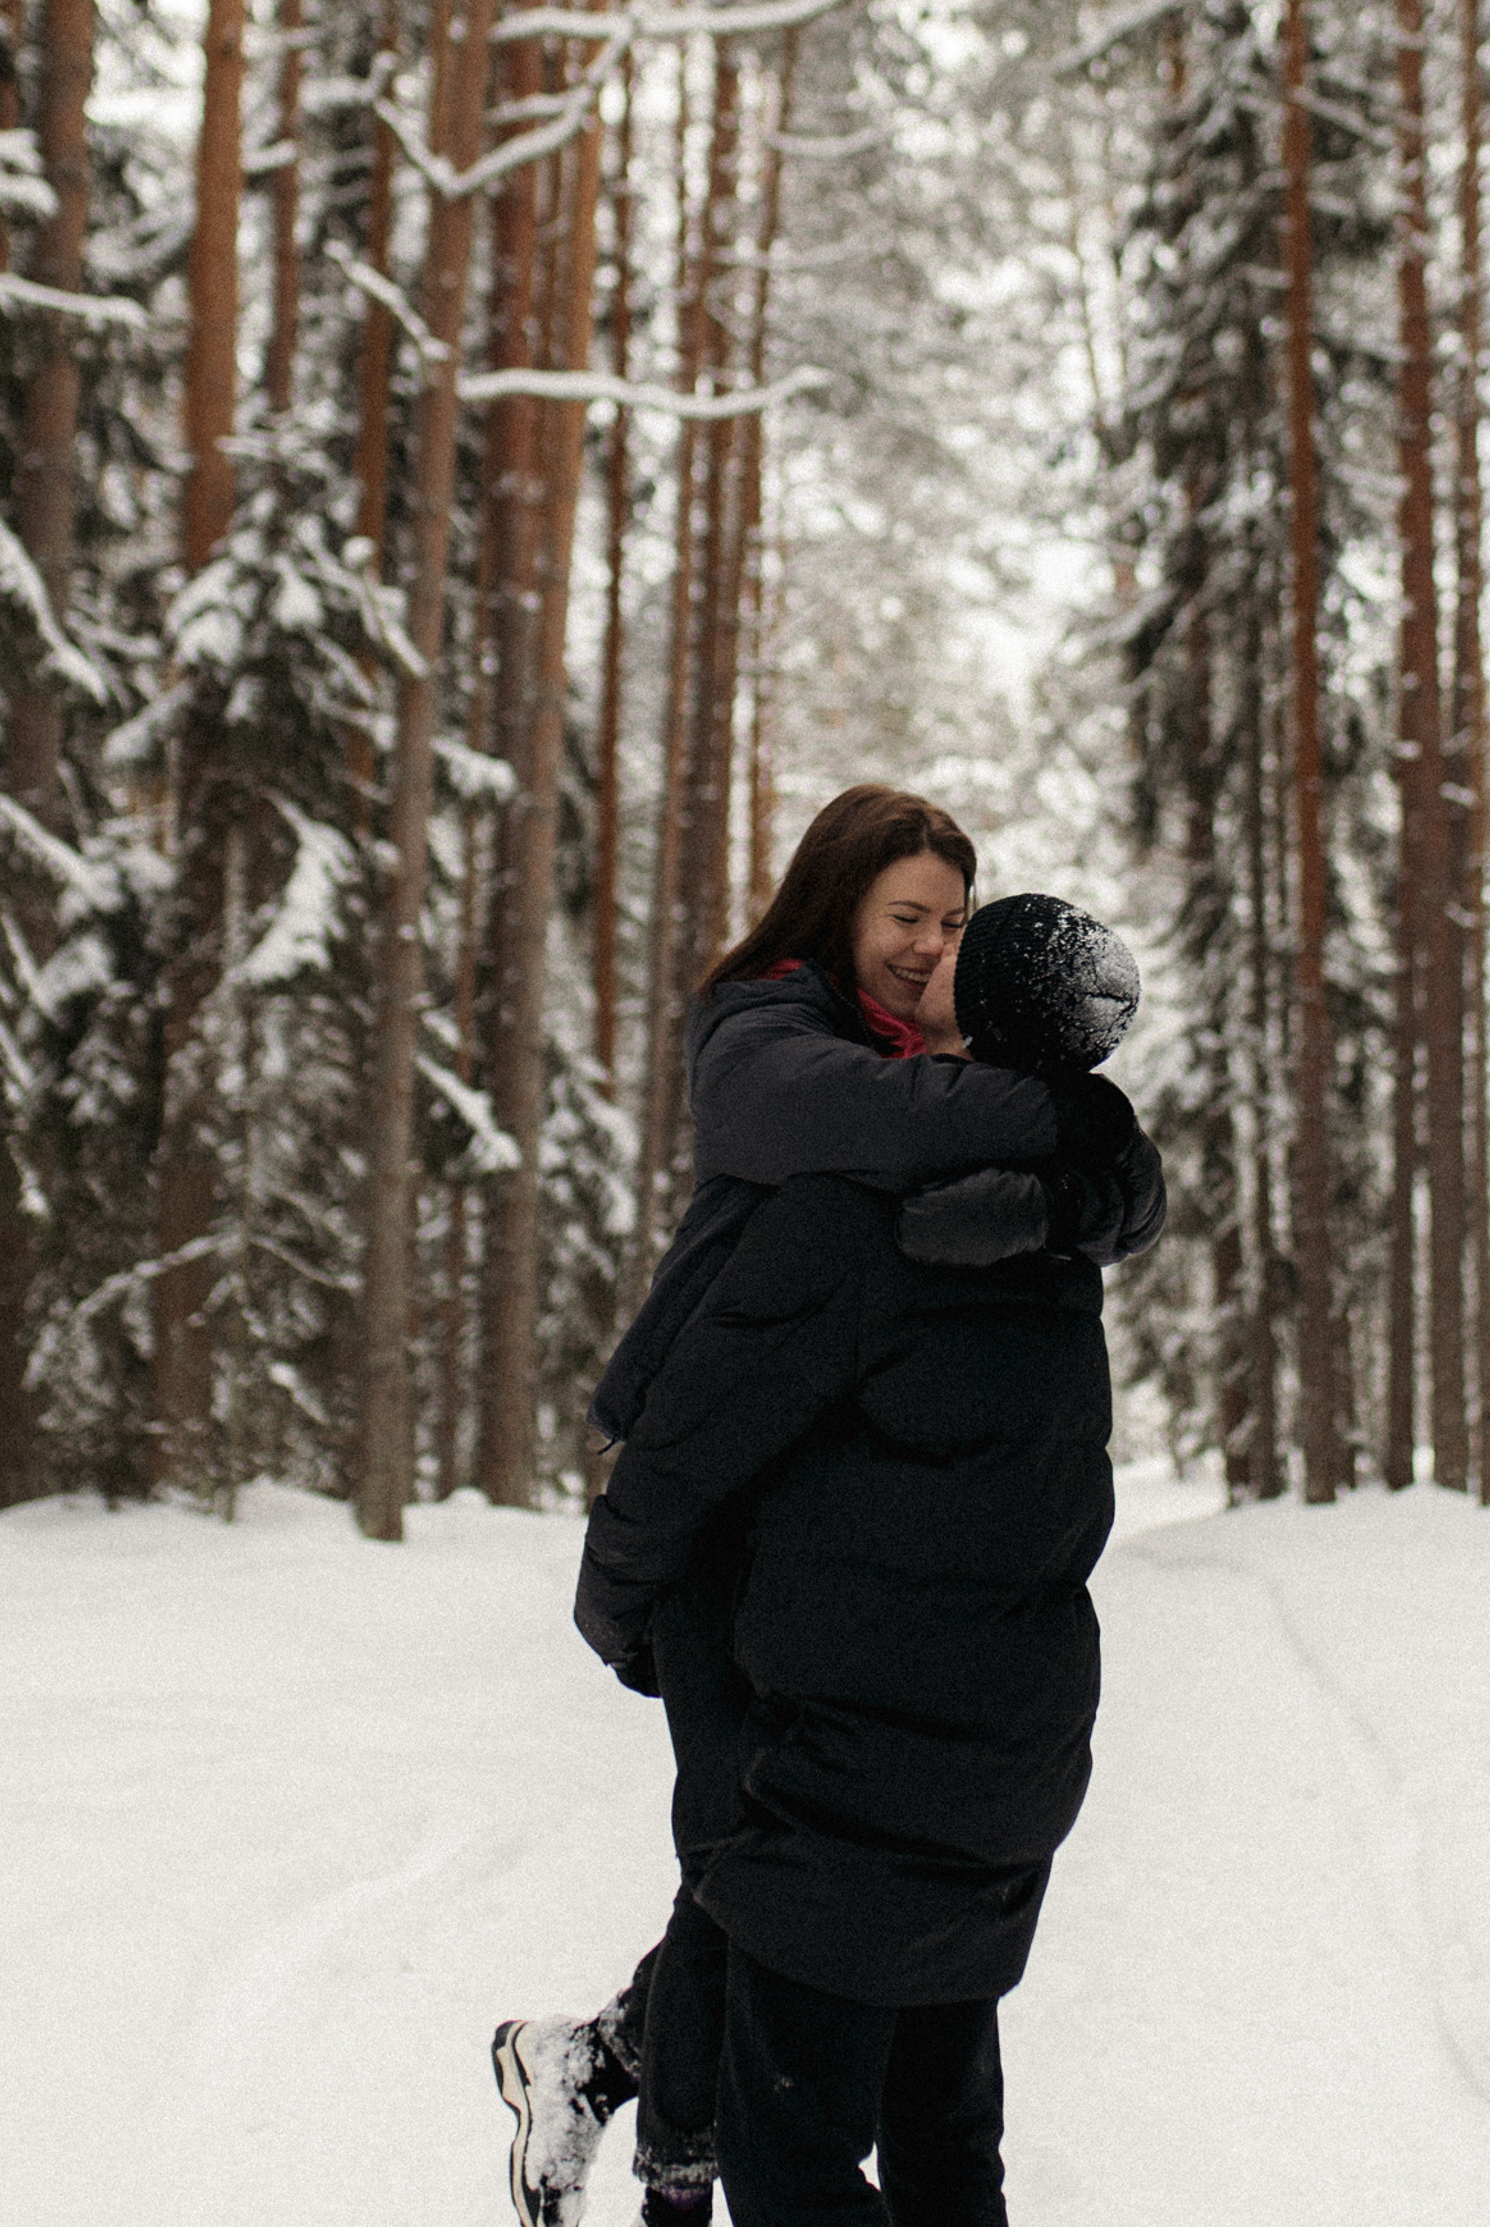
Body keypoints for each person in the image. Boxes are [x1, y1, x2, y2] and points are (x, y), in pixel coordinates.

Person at [490, 791, 1160, 2227]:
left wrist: (1079, 1172)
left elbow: (1080, 1180)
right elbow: (850, 1144)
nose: (929, 947)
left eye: (953, 921)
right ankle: (656, 2141)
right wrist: (1071, 1119)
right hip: (707, 1495)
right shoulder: (770, 1034)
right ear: (837, 910)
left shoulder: (960, 1101)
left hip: (812, 1532)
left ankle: (603, 2075)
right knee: (758, 1873)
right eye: (904, 917)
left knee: (772, 1886)